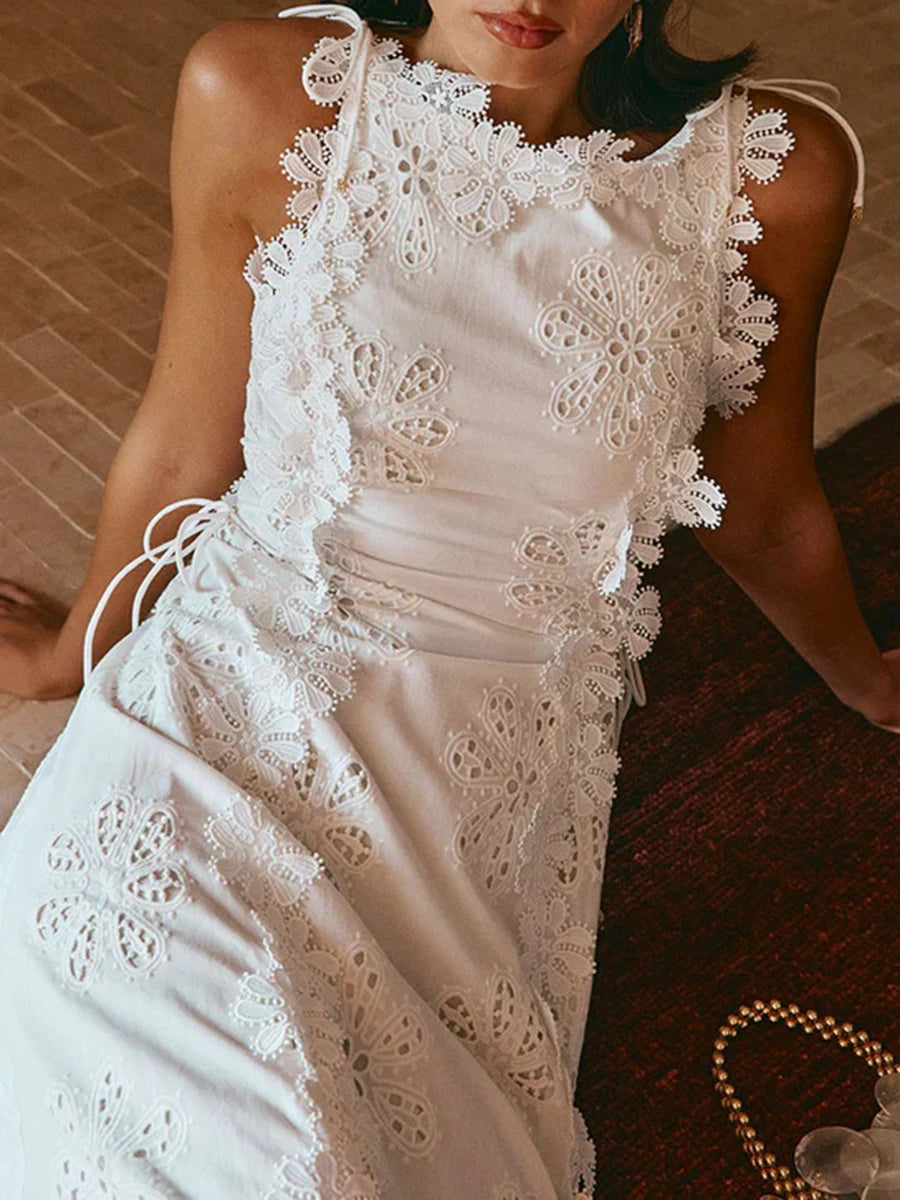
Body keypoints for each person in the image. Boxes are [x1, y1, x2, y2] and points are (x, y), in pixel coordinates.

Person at [0, 0, 897, 1195]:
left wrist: (870, 679)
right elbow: (180, 447)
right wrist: (70, 655)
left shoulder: (766, 181)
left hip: (475, 792)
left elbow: (765, 499)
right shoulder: (269, 93)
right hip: (207, 728)